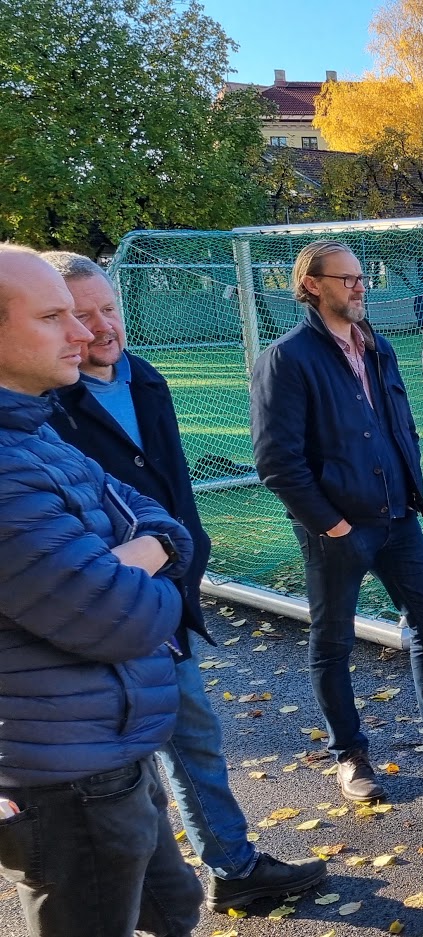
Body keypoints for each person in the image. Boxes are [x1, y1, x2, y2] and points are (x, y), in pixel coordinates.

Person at [42, 252, 328, 913]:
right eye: (80, 315)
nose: (99, 326)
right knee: (133, 761)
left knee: (187, 737)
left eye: (108, 308)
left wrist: (185, 562)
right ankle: (181, 881)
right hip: (98, 609)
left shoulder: (145, 377)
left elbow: (173, 493)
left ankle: (221, 868)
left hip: (164, 596)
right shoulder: (45, 405)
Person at [250, 240, 423, 805]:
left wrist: (409, 489)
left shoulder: (377, 347)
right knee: (333, 641)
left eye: (361, 277)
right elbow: (277, 462)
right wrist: (333, 526)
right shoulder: (287, 358)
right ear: (312, 285)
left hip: (398, 517)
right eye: (346, 278)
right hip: (337, 530)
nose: (359, 287)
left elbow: (399, 424)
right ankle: (349, 755)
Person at [0, 244, 201, 937]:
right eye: (54, 317)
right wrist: (156, 572)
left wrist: (139, 552)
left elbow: (163, 519)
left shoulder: (35, 432)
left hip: (110, 744)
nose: (83, 334)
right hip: (61, 774)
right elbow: (121, 615)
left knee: (173, 908)